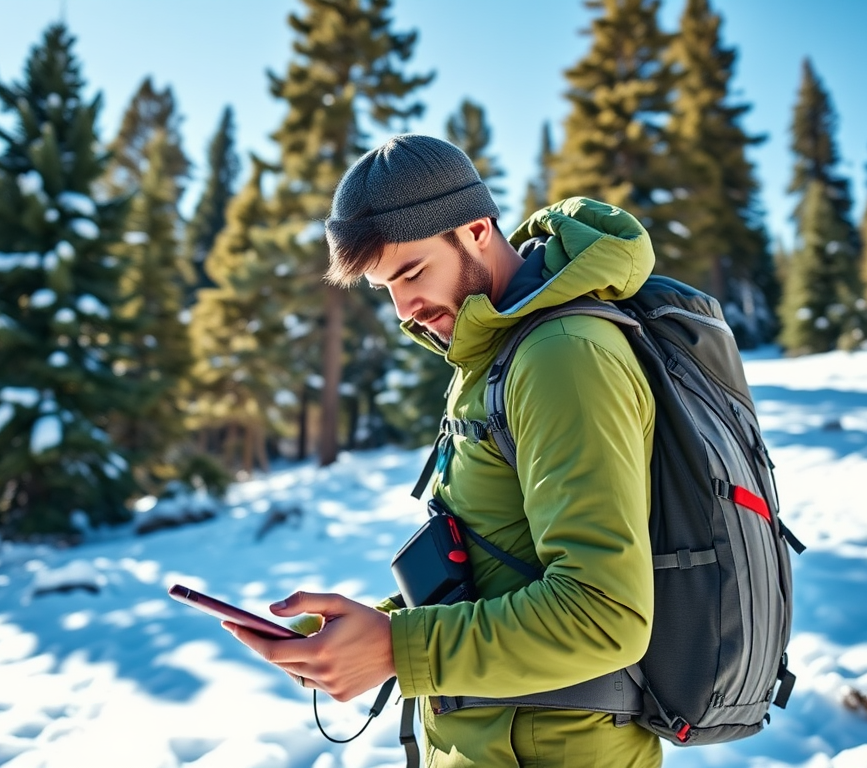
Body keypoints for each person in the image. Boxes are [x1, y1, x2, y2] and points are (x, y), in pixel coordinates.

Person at [228, 134, 660, 767]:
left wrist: (397, 649)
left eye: (411, 272)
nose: (405, 308)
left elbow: (605, 614)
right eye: (384, 288)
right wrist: (362, 634)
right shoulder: (491, 351)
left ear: (478, 228)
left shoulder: (562, 355)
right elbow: (501, 569)